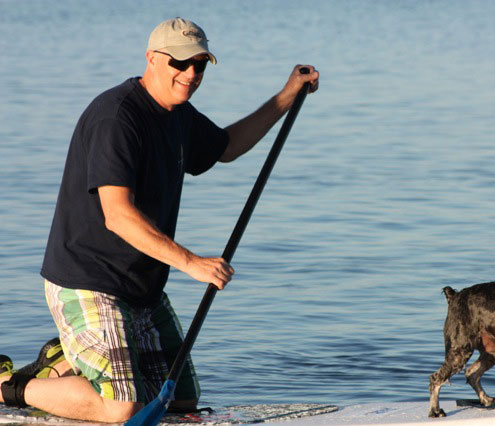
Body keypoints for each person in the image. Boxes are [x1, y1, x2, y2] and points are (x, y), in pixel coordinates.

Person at [0, 17, 319, 422]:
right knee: (123, 410)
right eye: (179, 63)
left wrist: (287, 94)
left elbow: (227, 147)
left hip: (142, 289)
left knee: (180, 403)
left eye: (199, 65)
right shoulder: (116, 118)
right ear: (151, 58)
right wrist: (192, 263)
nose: (190, 75)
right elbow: (117, 216)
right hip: (88, 282)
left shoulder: (177, 113)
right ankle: (10, 386)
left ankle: (67, 360)